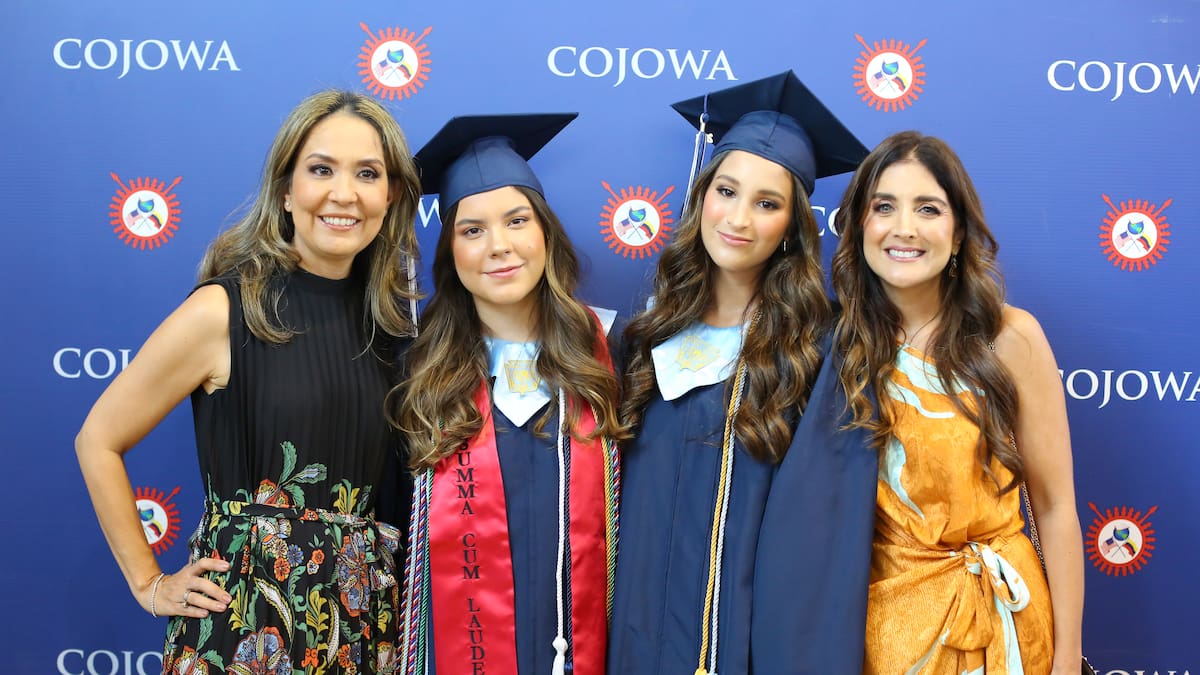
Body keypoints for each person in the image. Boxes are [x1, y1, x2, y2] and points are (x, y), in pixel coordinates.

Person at [74, 89, 422, 673]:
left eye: (367, 173)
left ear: (389, 197)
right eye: (321, 170)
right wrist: (149, 582)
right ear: (286, 191)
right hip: (244, 630)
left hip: (365, 630)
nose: (344, 194)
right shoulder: (225, 310)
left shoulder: (394, 330)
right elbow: (98, 440)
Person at [608, 70, 879, 675]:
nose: (738, 218)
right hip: (638, 635)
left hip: (748, 644)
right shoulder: (647, 338)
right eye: (726, 191)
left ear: (792, 226)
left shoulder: (820, 350)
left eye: (767, 203)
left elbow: (824, 543)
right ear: (702, 195)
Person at [830, 130, 1085, 673]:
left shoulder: (1012, 338)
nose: (905, 228)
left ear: (960, 229)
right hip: (883, 633)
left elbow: (1057, 506)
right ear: (858, 224)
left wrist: (1066, 656)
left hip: (1007, 626)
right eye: (884, 207)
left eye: (929, 208)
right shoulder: (835, 346)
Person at [389, 114, 625, 675]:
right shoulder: (417, 370)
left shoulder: (614, 356)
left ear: (545, 230)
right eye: (472, 230)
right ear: (450, 251)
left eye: (517, 220)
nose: (499, 246)